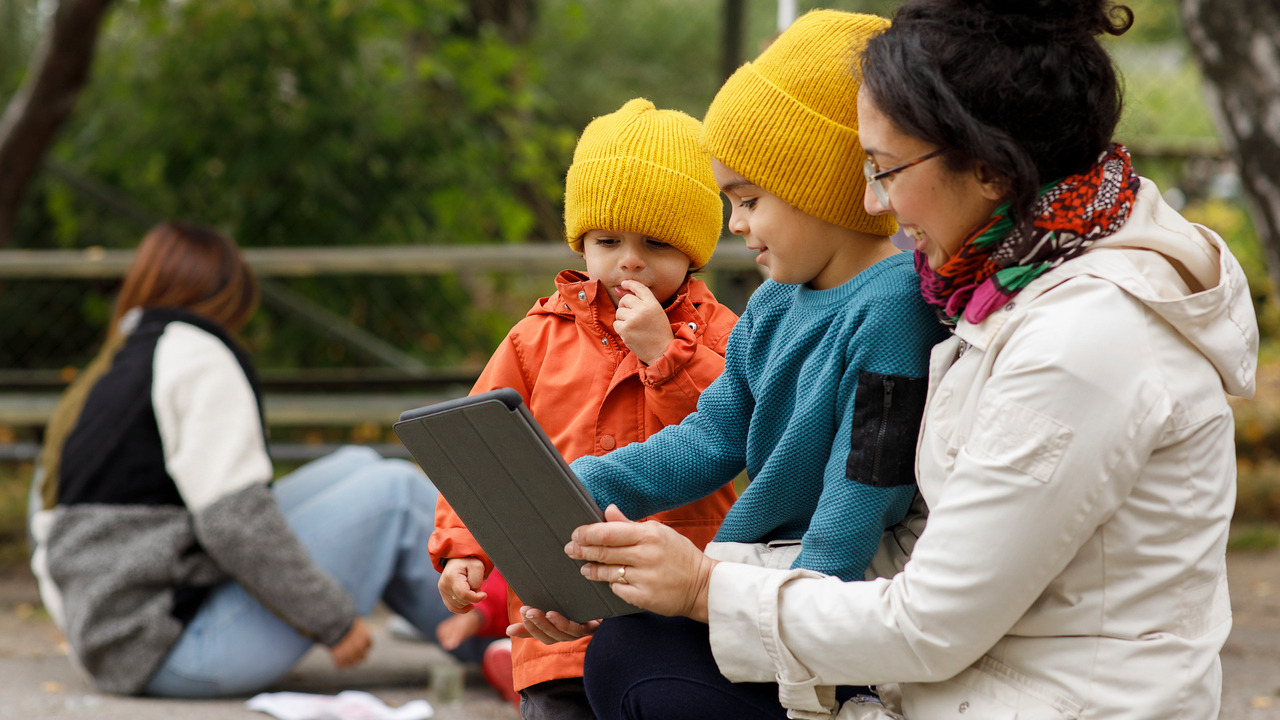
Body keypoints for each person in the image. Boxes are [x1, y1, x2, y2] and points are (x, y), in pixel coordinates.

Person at [562, 1, 1260, 719]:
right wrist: (638, 576)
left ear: (989, 169)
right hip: (960, 680)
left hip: (1032, 700)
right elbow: (917, 552)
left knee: (649, 660)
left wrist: (706, 589)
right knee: (637, 641)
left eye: (884, 169)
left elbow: (929, 616)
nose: (872, 201)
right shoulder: (997, 293)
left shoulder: (1081, 343)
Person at [514, 10, 949, 718]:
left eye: (749, 200)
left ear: (822, 186)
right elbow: (710, 437)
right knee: (619, 649)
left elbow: (861, 490)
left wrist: (789, 627)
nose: (736, 225)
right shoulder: (777, 303)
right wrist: (582, 489)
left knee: (632, 661)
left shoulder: (895, 309)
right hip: (755, 577)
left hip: (825, 609)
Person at [28, 223, 474, 697]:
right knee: (394, 495)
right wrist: (333, 621)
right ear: (228, 293)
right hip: (171, 647)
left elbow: (49, 526)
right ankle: (518, 639)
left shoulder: (112, 364)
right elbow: (233, 523)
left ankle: (485, 627)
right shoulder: (197, 354)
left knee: (358, 465)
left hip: (117, 635)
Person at [429, 98, 741, 720]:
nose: (630, 260)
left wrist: (666, 355)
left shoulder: (721, 333)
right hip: (559, 606)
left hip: (679, 606)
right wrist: (464, 547)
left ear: (694, 250)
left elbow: (738, 427)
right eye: (607, 240)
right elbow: (480, 449)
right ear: (582, 241)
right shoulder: (537, 335)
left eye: (655, 242)